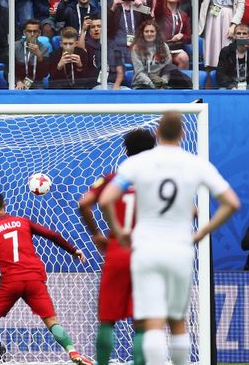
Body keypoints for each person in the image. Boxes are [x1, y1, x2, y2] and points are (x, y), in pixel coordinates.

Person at [100, 112, 241, 365]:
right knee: (177, 321)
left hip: (146, 249)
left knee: (152, 319)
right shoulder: (196, 163)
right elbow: (231, 203)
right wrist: (200, 233)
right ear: (183, 134)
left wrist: (119, 231)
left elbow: (105, 199)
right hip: (179, 249)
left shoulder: (137, 164)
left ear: (157, 133)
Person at [0, 190, 92, 365]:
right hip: (34, 278)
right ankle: (73, 352)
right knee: (51, 321)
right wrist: (73, 250)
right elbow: (52, 235)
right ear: (5, 204)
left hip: (11, 281)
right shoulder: (22, 222)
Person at [77, 129, 157, 365]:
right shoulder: (158, 181)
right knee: (142, 321)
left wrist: (97, 235)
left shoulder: (113, 179)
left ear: (126, 151)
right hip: (147, 252)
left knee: (107, 319)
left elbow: (84, 204)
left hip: (117, 250)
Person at [130, 20, 192, 89]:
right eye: (146, 31)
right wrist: (152, 85)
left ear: (156, 33)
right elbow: (139, 73)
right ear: (142, 33)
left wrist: (162, 83)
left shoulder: (164, 47)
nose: (149, 34)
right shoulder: (136, 48)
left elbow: (167, 69)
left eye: (152, 31)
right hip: (141, 85)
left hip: (161, 85)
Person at [215, 23, 249, 89]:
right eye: (238, 33)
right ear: (234, 36)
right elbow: (220, 74)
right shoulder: (226, 51)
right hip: (231, 85)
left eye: (244, 33)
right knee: (222, 91)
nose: (241, 36)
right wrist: (231, 87)